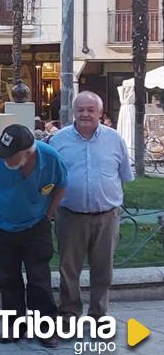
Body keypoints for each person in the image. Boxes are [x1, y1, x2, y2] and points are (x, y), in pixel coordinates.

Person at [50, 92, 133, 318]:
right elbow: (50, 178)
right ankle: (69, 313)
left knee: (103, 271)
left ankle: (98, 314)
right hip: (70, 215)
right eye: (81, 110)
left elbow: (124, 174)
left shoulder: (115, 139)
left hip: (107, 216)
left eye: (91, 110)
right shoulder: (58, 140)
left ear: (100, 112)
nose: (85, 114)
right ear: (73, 112)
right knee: (69, 270)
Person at [0, 124, 66, 348]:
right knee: (8, 278)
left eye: (11, 155)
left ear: (28, 152)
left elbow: (62, 185)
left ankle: (46, 328)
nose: (5, 158)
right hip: (1, 223)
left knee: (39, 278)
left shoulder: (50, 157)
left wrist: (49, 214)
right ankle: (13, 326)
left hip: (35, 225)